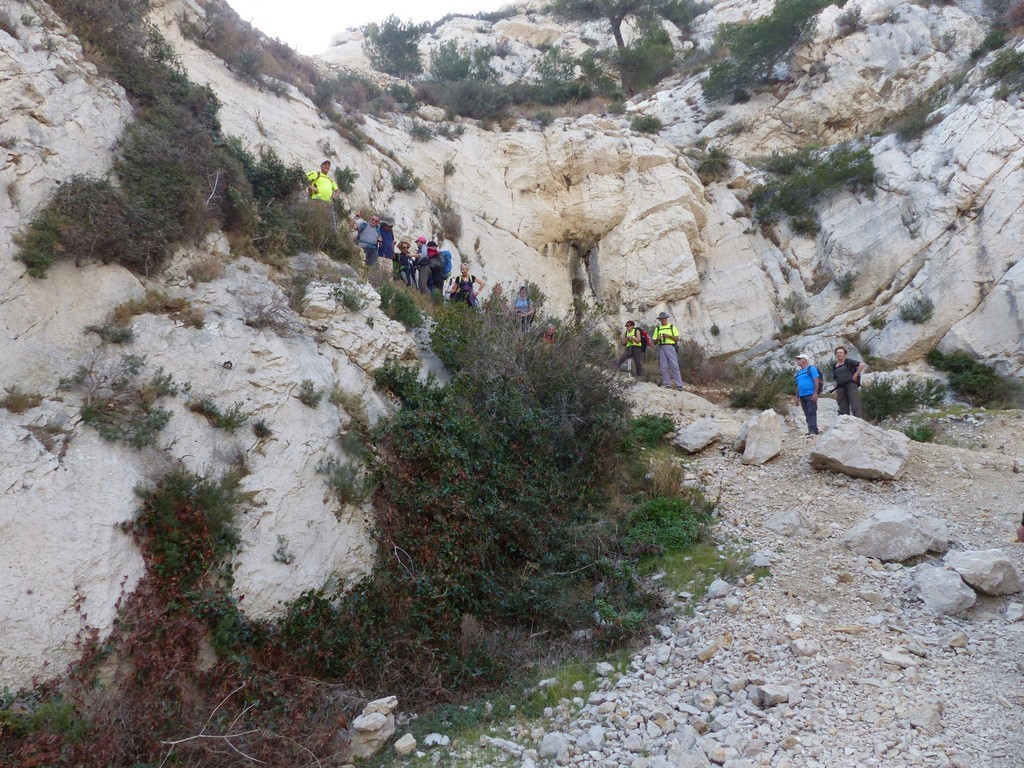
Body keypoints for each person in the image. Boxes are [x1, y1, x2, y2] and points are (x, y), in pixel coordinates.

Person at [832, 346, 867, 418]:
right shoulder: (834, 365)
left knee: (855, 405)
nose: (839, 354)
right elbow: (835, 379)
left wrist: (855, 375)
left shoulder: (848, 361)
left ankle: (859, 422)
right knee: (842, 407)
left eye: (841, 353)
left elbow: (862, 365)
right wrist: (835, 391)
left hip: (851, 385)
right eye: (837, 353)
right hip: (840, 388)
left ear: (845, 354)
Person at [652, 311, 683, 390]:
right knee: (664, 366)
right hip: (662, 347)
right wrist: (658, 339)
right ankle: (667, 384)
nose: (663, 320)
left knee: (674, 365)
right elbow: (654, 343)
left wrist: (669, 336)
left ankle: (679, 384)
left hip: (670, 347)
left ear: (666, 319)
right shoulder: (658, 329)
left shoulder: (672, 327)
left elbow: (677, 338)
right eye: (661, 319)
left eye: (664, 318)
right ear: (660, 320)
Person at [794, 353, 823, 435]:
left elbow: (816, 380)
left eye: (799, 359)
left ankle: (813, 430)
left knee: (811, 411)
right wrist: (796, 397)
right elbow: (798, 385)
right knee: (807, 412)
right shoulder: (799, 372)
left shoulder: (811, 369)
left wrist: (815, 393)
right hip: (802, 395)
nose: (798, 361)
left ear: (805, 360)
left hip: (810, 394)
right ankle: (811, 429)